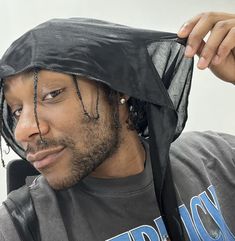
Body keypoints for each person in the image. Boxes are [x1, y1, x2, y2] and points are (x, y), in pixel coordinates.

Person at [0, 11, 234, 241]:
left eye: (52, 94)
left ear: (119, 87)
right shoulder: (19, 225)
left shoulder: (218, 156)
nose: (22, 130)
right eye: (17, 110)